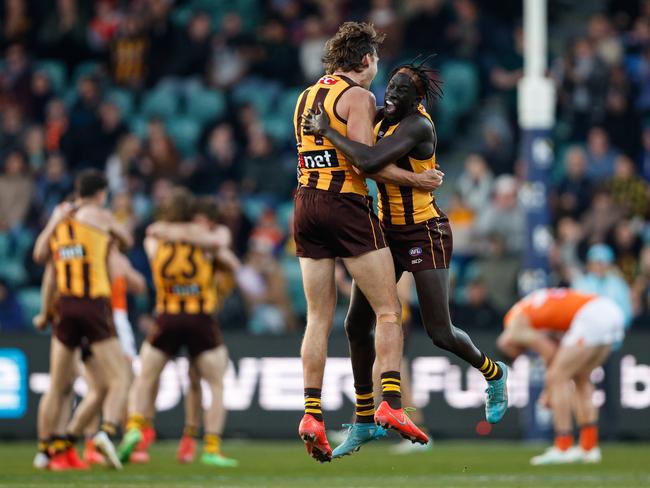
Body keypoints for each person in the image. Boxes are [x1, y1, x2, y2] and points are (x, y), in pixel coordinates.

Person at [302, 58, 508, 458]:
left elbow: (367, 162)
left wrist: (327, 130)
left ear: (419, 101)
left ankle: (494, 374)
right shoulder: (384, 115)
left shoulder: (418, 126)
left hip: (423, 231)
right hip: (385, 231)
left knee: (439, 332)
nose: (391, 95)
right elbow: (361, 154)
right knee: (355, 325)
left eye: (401, 92)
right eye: (391, 87)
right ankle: (364, 419)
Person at [293, 22, 442, 462]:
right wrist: (418, 178)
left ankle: (311, 414)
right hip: (344, 205)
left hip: (304, 203)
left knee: (317, 317)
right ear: (365, 61)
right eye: (376, 60)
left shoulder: (305, 96)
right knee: (388, 310)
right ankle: (391, 406)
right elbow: (366, 166)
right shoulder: (357, 96)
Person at [119, 188, 238, 468]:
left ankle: (135, 426)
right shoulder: (209, 242)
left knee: (145, 377)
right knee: (217, 384)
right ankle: (211, 447)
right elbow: (228, 256)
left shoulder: (156, 240)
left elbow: (151, 232)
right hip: (200, 318)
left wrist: (169, 231)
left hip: (167, 316)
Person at [32, 170, 134, 470]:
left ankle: (49, 448)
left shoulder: (60, 222)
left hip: (64, 308)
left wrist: (45, 311)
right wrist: (112, 234)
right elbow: (127, 240)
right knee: (119, 379)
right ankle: (106, 431)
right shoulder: (100, 216)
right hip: (94, 306)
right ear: (101, 193)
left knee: (59, 384)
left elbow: (41, 259)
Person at [497, 288, 625, 465]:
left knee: (557, 376)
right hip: (609, 312)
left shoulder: (513, 328)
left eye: (518, 352)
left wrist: (548, 392)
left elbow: (550, 352)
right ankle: (588, 447)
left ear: (507, 344)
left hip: (592, 315)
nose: (523, 350)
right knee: (581, 377)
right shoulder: (524, 309)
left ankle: (563, 446)